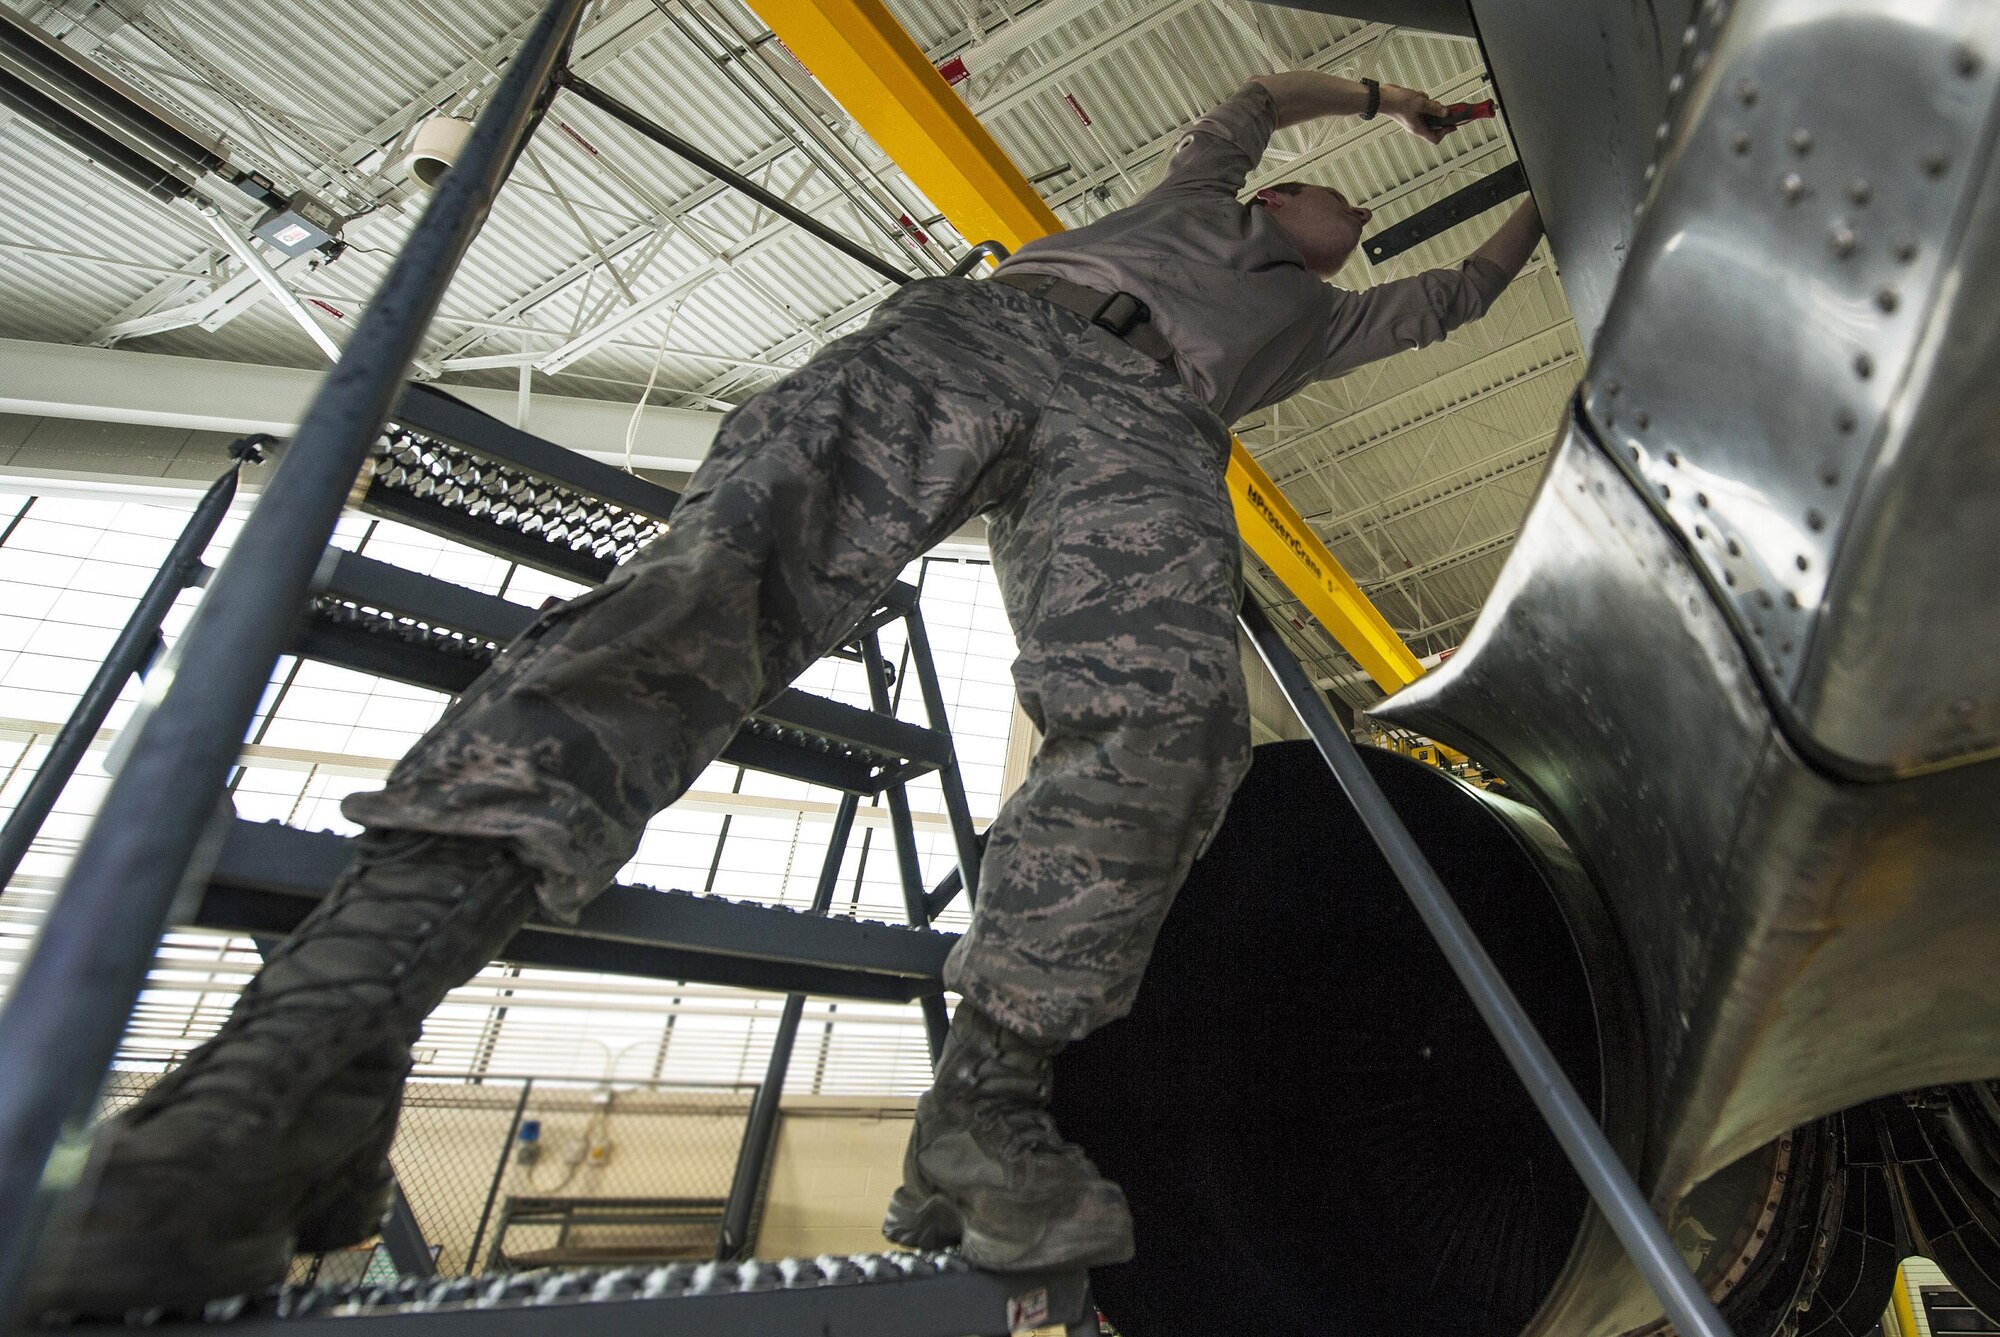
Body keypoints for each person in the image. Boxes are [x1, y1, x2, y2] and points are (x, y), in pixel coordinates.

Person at [31, 71, 1542, 1313]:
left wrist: (1555, 181)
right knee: (727, 574)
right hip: (998, 326)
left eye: (1361, 226)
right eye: (1339, 199)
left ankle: (987, 1102)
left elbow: (1466, 295)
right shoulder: (1196, 198)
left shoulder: (1329, 320)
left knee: (1171, 719)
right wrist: (1391, 100)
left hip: (1151, 435)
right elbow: (1256, 95)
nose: (1355, 224)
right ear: (1280, 198)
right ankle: (308, 1042)